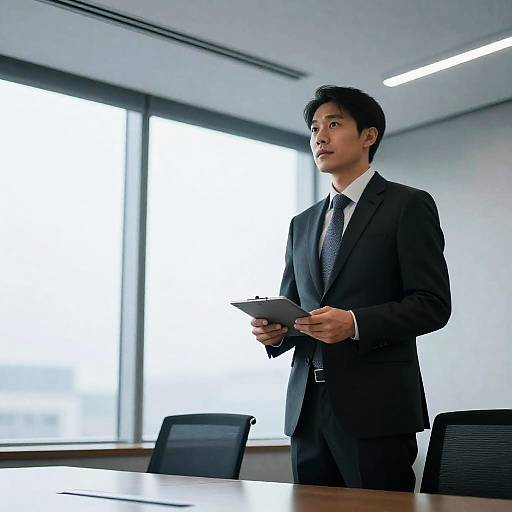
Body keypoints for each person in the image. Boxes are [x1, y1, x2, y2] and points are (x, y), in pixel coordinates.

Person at [251, 86, 451, 491]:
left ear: (368, 136)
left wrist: (355, 323)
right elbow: (296, 307)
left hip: (377, 409)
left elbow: (432, 304)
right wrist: (275, 331)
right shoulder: (302, 223)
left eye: (334, 124)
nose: (319, 137)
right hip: (306, 410)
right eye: (314, 128)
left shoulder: (407, 205)